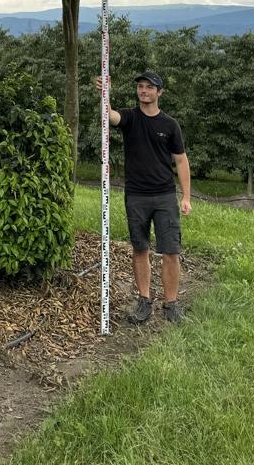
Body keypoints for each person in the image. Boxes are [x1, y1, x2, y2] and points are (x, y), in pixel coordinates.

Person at [96, 69, 192, 324]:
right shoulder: (130, 118)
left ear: (159, 92)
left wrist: (186, 196)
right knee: (140, 248)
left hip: (164, 196)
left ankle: (171, 305)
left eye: (149, 87)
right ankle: (144, 301)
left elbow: (181, 161)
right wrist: (104, 94)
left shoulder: (170, 125)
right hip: (136, 195)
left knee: (170, 251)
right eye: (140, 86)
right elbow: (110, 116)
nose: (143, 90)